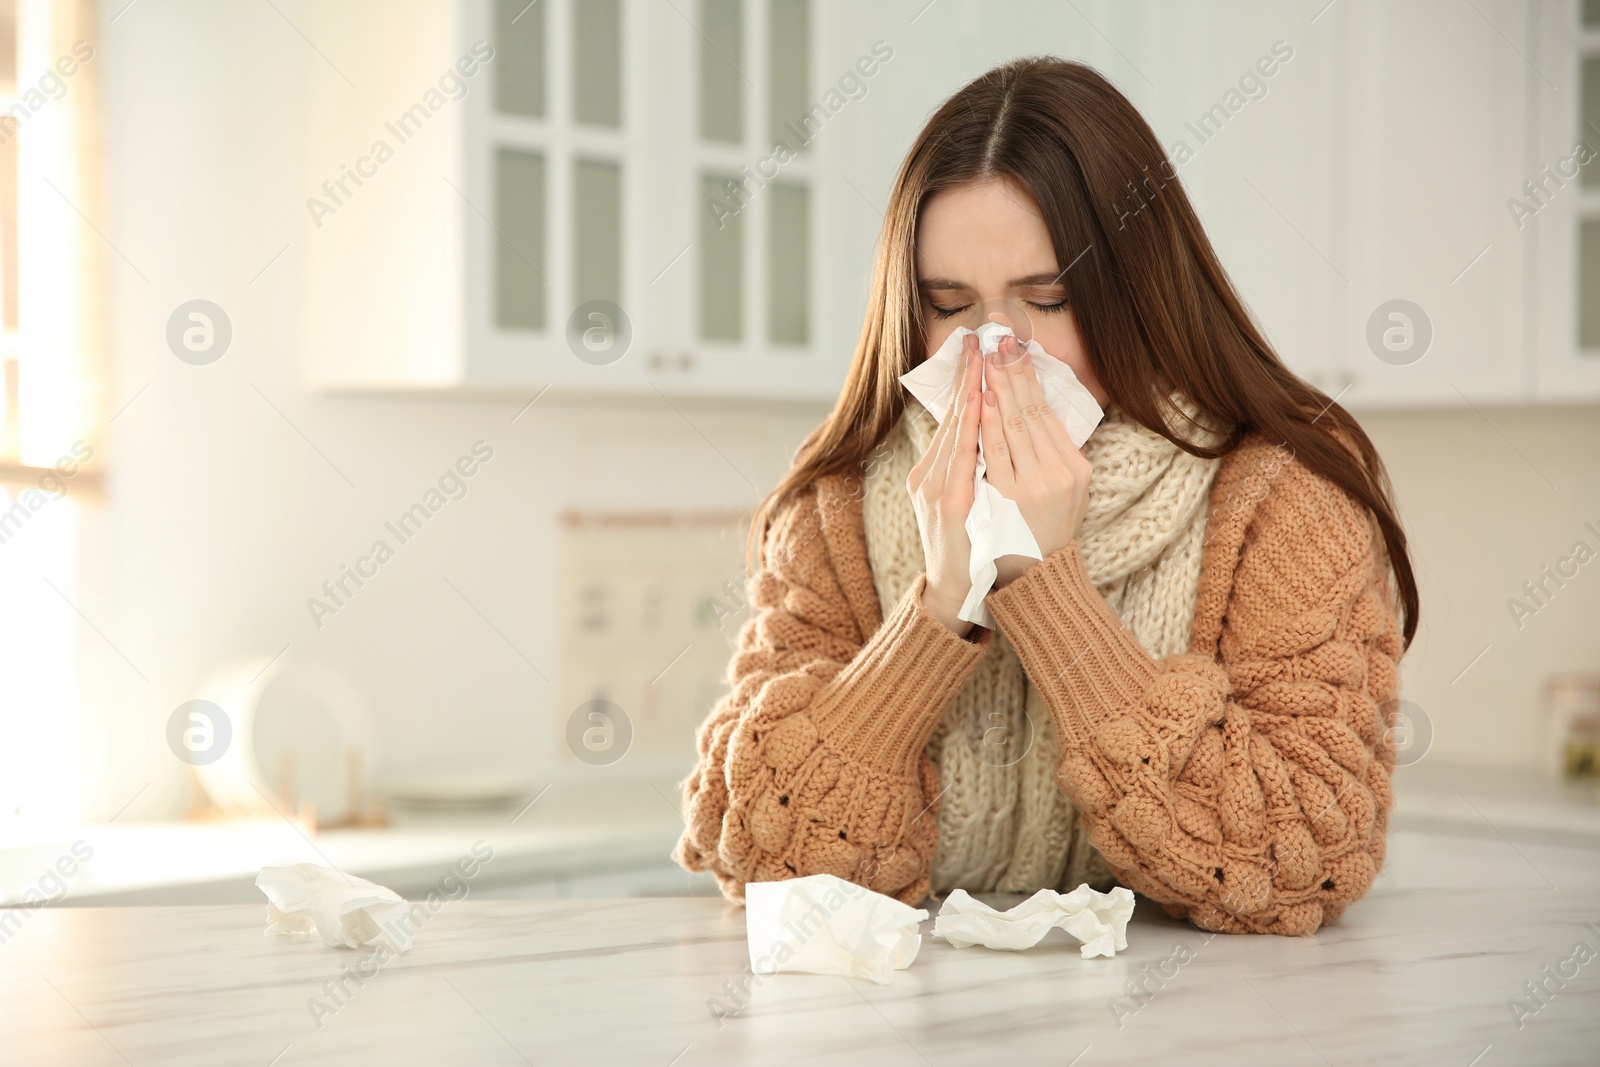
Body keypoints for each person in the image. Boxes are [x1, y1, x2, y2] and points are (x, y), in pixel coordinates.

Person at [673, 57, 1414, 936]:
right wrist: (939, 609)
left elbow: (1303, 852)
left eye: (1049, 299)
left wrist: (1044, 584)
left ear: (1139, 294)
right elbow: (764, 849)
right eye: (951, 306)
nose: (997, 349)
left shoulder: (1280, 499)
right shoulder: (837, 504)